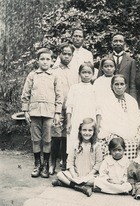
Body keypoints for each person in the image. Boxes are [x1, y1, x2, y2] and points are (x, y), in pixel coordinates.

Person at [21, 48, 63, 178]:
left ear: (52, 61)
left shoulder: (55, 76)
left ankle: (45, 164)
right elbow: (25, 94)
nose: (45, 62)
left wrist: (57, 113)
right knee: (35, 140)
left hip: (49, 113)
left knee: (47, 140)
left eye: (47, 59)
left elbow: (59, 96)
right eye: (42, 59)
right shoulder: (32, 75)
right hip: (34, 112)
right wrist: (26, 111)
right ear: (38, 61)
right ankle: (37, 164)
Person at [52, 118, 103, 197]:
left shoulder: (97, 146)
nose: (87, 133)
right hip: (76, 175)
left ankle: (67, 184)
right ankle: (79, 187)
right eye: (84, 130)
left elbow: (98, 163)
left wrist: (89, 175)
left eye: (90, 130)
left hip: (90, 176)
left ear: (94, 132)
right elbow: (70, 162)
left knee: (100, 181)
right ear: (80, 131)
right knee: (60, 174)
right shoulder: (75, 144)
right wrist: (74, 174)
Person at [50, 43, 78, 174]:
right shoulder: (54, 70)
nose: (66, 56)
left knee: (68, 135)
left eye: (69, 54)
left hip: (70, 108)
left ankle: (65, 161)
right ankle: (52, 163)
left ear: (72, 56)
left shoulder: (75, 70)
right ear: (59, 55)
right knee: (56, 136)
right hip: (57, 108)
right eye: (64, 53)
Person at [66, 62, 101, 155]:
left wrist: (98, 124)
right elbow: (69, 106)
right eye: (84, 72)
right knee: (74, 140)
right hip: (76, 118)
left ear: (93, 74)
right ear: (79, 73)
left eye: (89, 73)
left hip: (90, 118)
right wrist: (69, 122)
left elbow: (98, 109)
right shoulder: (74, 88)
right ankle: (73, 164)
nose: (86, 75)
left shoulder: (95, 89)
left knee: (89, 140)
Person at [98, 74, 139, 140]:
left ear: (125, 86)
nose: (119, 87)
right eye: (116, 84)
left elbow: (136, 119)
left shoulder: (132, 101)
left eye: (122, 84)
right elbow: (105, 122)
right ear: (111, 86)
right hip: (112, 134)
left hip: (130, 134)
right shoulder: (106, 102)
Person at [99, 34, 137, 99]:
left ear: (124, 44)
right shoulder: (104, 60)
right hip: (107, 96)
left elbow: (132, 84)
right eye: (115, 41)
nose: (118, 43)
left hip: (125, 96)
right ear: (112, 43)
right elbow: (100, 80)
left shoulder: (131, 61)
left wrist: (133, 99)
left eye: (120, 41)